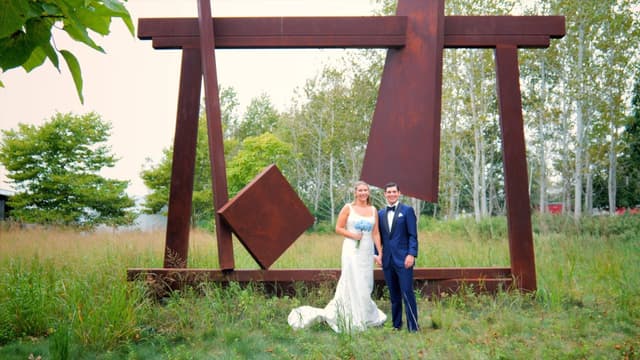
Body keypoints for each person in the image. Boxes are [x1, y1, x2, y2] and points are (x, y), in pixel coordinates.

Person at [287, 181, 386, 332]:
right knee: (353, 279)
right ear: (355, 192)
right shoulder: (348, 208)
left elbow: (376, 233)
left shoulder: (373, 210)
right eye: (360, 190)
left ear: (369, 192)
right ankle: (350, 314)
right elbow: (338, 228)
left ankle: (365, 314)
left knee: (365, 281)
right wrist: (353, 235)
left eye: (365, 190)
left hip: (366, 251)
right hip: (352, 249)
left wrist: (379, 253)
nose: (363, 193)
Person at [378, 182, 419, 332]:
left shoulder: (407, 211)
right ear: (385, 194)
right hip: (387, 260)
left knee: (407, 292)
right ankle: (396, 325)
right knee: (394, 294)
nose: (391, 194)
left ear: (399, 193)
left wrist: (411, 254)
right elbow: (379, 238)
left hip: (404, 259)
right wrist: (378, 255)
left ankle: (413, 326)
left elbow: (413, 235)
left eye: (394, 192)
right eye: (388, 192)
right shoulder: (380, 213)